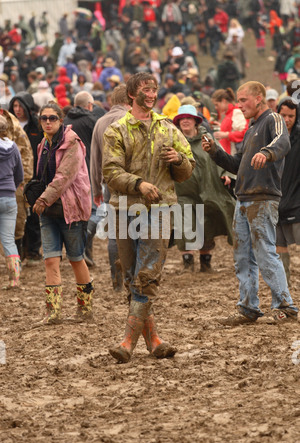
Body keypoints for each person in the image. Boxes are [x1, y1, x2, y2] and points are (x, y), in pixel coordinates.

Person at [102, 72, 195, 363]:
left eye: (154, 89)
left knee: (146, 276)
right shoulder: (116, 131)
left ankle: (127, 342)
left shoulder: (168, 129)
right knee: (133, 278)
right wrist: (139, 184)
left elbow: (188, 166)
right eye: (145, 89)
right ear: (132, 94)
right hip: (124, 211)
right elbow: (110, 172)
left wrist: (178, 161)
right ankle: (154, 341)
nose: (151, 94)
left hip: (159, 212)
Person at [202, 81, 298, 325]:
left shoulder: (273, 118)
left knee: (265, 251)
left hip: (263, 197)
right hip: (243, 198)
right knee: (243, 256)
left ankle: (285, 306)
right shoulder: (251, 127)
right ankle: (248, 308)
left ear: (258, 98)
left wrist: (266, 153)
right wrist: (215, 151)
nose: (239, 105)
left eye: (243, 100)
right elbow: (237, 164)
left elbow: (283, 141)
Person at [32, 101, 93, 325]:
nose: (48, 122)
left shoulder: (72, 143)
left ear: (61, 120)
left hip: (71, 209)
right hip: (48, 210)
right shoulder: (43, 145)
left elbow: (64, 177)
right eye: (44, 118)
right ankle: (53, 313)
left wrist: (43, 198)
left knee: (76, 259)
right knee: (50, 260)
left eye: (52, 118)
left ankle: (85, 309)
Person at [173, 104, 236, 273]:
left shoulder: (207, 139)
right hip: (183, 190)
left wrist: (226, 174)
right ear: (178, 122)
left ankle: (205, 262)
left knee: (207, 224)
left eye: (188, 118)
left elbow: (221, 156)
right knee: (185, 224)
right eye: (182, 119)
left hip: (209, 188)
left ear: (195, 121)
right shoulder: (174, 141)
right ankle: (188, 263)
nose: (185, 121)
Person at [90, 84, 131, 291]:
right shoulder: (132, 119)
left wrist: (96, 189)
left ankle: (117, 281)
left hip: (110, 185)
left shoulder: (100, 122)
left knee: (115, 233)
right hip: (134, 183)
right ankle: (133, 278)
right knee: (137, 230)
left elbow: (94, 159)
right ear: (130, 100)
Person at [64, 91, 101, 267]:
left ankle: (81, 251)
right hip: (89, 172)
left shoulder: (64, 122)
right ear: (89, 105)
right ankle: (82, 245)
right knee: (94, 212)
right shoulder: (92, 121)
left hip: (69, 174)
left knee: (78, 212)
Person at [8, 92, 44, 265]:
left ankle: (33, 251)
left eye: (20, 106)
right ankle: (20, 252)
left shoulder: (37, 126)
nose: (17, 110)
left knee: (32, 216)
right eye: (15, 106)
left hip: (34, 175)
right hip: (14, 178)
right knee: (17, 217)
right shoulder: (9, 125)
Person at [276, 98, 300, 286]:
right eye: (283, 115)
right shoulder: (271, 137)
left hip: (296, 201)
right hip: (275, 200)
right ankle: (284, 282)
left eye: (291, 116)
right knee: (279, 246)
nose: (287, 119)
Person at [0, 115, 24, 289]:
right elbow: (20, 175)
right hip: (9, 197)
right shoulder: (13, 146)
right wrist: (11, 188)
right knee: (9, 240)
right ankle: (14, 280)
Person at [211, 87, 248, 154]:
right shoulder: (229, 113)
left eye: (217, 104)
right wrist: (221, 127)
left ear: (224, 101)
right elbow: (233, 128)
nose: (216, 108)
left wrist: (226, 135)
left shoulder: (236, 112)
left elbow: (244, 133)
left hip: (233, 154)